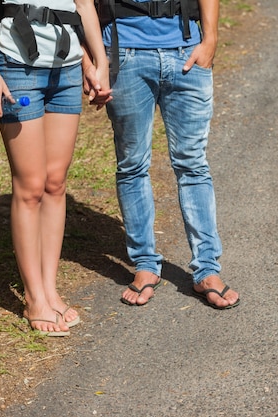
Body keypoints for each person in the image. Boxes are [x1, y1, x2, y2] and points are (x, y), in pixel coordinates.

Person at [83, 0, 240, 309]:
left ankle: (206, 269)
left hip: (186, 52)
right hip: (123, 55)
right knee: (132, 165)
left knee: (193, 164)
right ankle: (145, 265)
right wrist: (91, 63)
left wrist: (210, 41)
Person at [0, 0, 111, 335]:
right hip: (16, 66)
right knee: (30, 186)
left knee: (55, 183)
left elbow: (84, 4)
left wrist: (99, 61)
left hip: (66, 68)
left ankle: (50, 289)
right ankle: (34, 298)